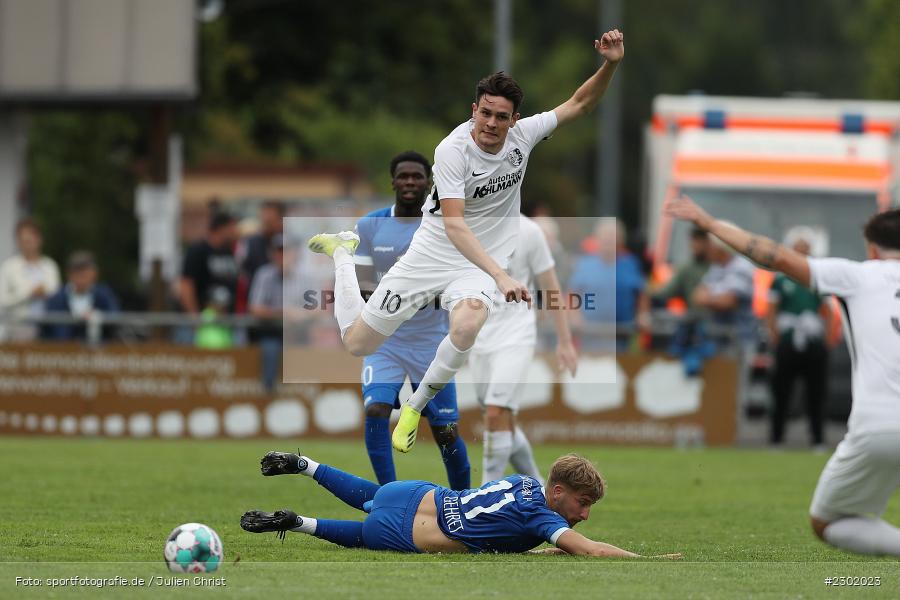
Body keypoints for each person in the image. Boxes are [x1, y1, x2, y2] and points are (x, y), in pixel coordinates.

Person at [307, 30, 624, 453]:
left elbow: (580, 104)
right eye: (486, 113)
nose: (492, 124)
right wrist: (502, 275)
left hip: (477, 264)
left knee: (468, 323)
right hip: (433, 253)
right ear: (474, 110)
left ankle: (415, 406)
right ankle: (343, 252)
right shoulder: (452, 150)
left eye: (501, 116)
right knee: (357, 344)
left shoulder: (523, 137)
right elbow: (455, 226)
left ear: (514, 120)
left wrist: (611, 64)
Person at [665, 195, 900, 557]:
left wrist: (711, 224)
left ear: (871, 249)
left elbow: (773, 255)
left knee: (828, 521)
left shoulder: (856, 275)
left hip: (879, 425)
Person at [240, 450, 680, 558]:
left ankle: (305, 464)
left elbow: (507, 527)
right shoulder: (540, 515)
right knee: (360, 534)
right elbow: (586, 548)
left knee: (371, 495)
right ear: (558, 492)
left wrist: (542, 551)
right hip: (410, 534)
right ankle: (299, 522)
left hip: (413, 493)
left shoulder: (524, 482)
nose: (584, 516)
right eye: (583, 504)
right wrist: (649, 559)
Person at [351, 151, 471, 488]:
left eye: (417, 176)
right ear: (392, 181)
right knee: (376, 411)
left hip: (433, 342)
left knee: (445, 431)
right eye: (403, 176)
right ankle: (385, 496)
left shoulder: (442, 226)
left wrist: (407, 293)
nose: (409, 182)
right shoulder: (370, 225)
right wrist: (404, 295)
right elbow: (362, 285)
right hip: (385, 340)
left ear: (428, 182)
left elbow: (453, 281)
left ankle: (465, 503)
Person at [470, 215, 578, 485]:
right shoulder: (470, 225)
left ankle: (484, 492)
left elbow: (551, 287)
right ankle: (539, 486)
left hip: (516, 333)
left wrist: (564, 341)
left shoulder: (530, 231)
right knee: (501, 419)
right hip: (479, 334)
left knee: (496, 413)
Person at [767, 229, 832, 450]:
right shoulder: (780, 278)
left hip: (813, 339)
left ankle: (817, 439)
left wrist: (829, 337)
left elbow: (827, 309)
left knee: (816, 391)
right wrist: (775, 335)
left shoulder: (817, 278)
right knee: (781, 390)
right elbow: (771, 309)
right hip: (788, 337)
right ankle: (776, 439)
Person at [567, 218, 645, 352]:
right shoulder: (584, 264)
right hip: (590, 337)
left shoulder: (630, 264)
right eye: (605, 236)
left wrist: (643, 314)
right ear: (597, 239)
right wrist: (575, 316)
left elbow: (642, 294)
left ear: (621, 240)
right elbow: (572, 294)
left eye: (613, 236)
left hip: (622, 338)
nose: (609, 240)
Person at [178, 212, 239, 343]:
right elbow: (186, 285)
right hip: (202, 323)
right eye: (232, 228)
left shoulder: (228, 252)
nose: (235, 232)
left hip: (225, 324)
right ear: (222, 228)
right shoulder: (198, 251)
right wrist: (194, 319)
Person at [0, 219, 61, 342]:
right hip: (19, 327)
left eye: (30, 240)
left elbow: (58, 295)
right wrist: (29, 294)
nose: (27, 244)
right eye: (23, 241)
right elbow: (3, 300)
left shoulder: (50, 266)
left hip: (49, 328)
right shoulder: (9, 267)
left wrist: (45, 293)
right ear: (18, 242)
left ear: (39, 239)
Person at [41, 251, 120, 342]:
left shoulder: (104, 295)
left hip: (99, 352)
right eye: (77, 274)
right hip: (63, 352)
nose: (81, 279)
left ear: (94, 274)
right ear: (69, 275)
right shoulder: (56, 299)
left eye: (85, 274)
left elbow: (116, 319)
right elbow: (46, 331)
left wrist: (97, 316)